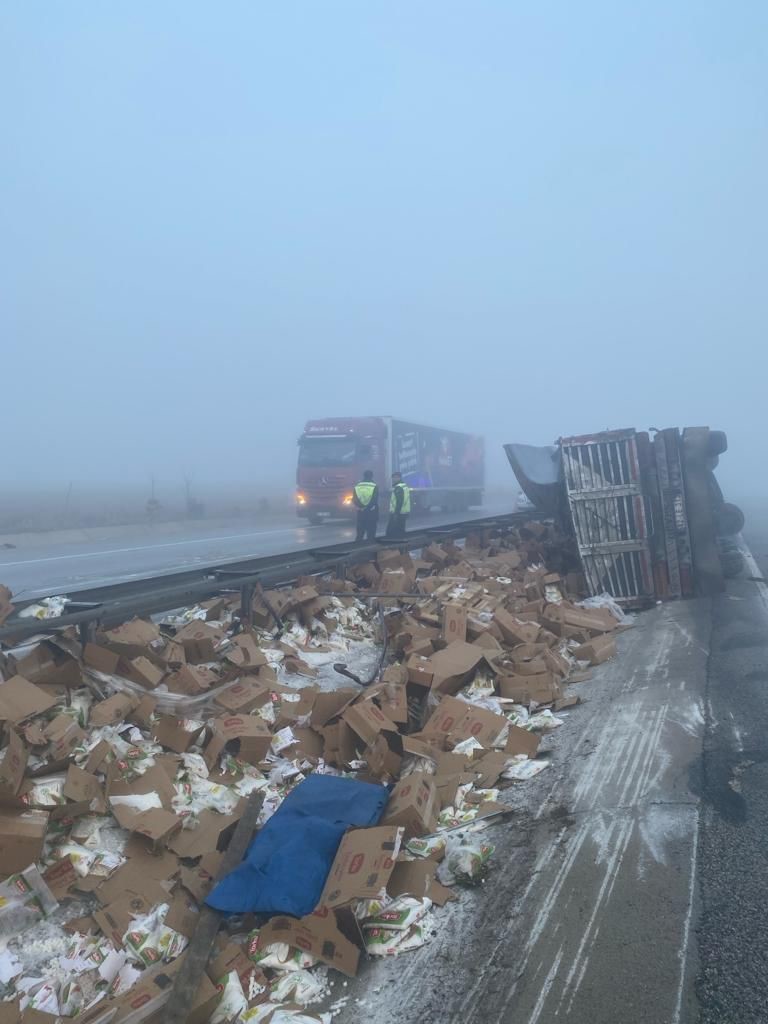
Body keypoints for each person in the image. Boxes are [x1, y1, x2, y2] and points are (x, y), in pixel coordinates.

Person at [353, 470, 379, 541]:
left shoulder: (358, 486)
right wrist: (367, 508)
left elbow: (354, 499)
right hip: (371, 512)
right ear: (371, 476)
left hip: (360, 512)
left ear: (363, 476)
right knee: (371, 533)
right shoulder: (374, 486)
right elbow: (374, 500)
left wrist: (361, 507)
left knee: (360, 533)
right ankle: (370, 547)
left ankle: (357, 547)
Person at [386, 472, 411, 538]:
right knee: (400, 530)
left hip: (398, 512)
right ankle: (401, 545)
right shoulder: (404, 486)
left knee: (390, 531)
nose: (394, 479)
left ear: (399, 478)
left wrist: (396, 514)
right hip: (403, 512)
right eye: (393, 478)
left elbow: (399, 501)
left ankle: (393, 546)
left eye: (395, 477)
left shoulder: (399, 487)